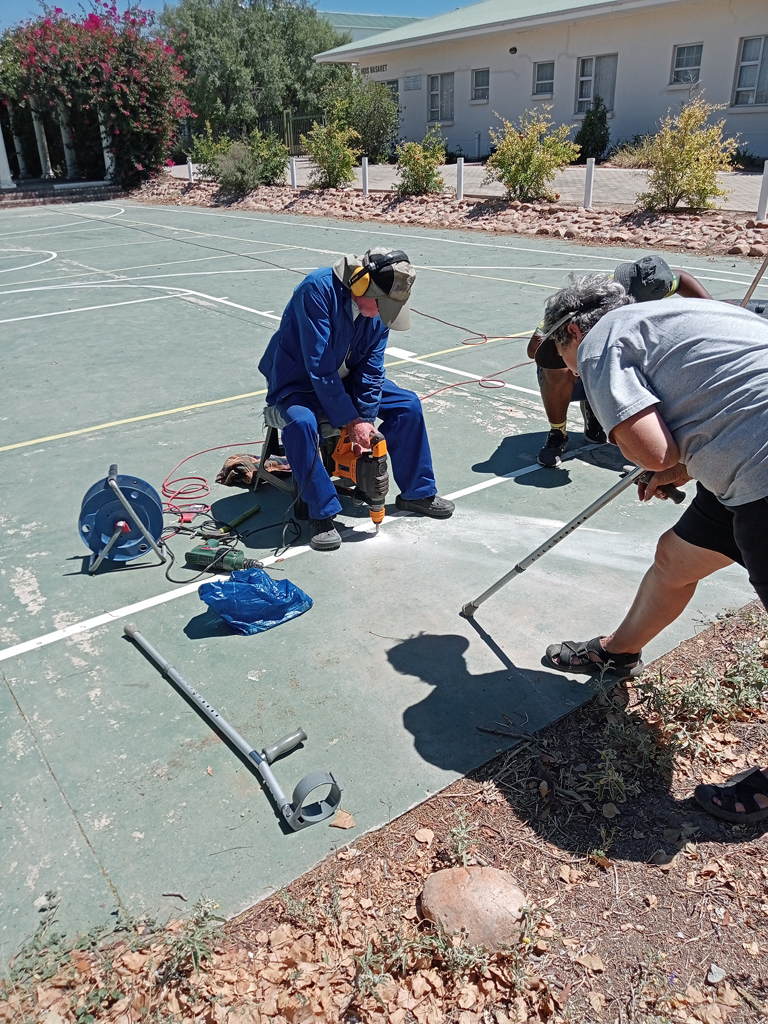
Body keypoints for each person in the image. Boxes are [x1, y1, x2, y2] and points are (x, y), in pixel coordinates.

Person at [536, 273, 768, 823]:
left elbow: (654, 448)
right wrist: (676, 466)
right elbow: (721, 403)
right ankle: (618, 652)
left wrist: (657, 464)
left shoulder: (600, 342)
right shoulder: (670, 317)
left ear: (572, 330)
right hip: (742, 458)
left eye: (560, 353)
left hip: (761, 471)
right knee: (675, 557)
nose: (567, 367)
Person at [258, 248, 454, 552]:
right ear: (361, 286)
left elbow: (372, 369)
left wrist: (363, 417)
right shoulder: (317, 290)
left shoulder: (376, 312)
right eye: (382, 304)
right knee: (301, 422)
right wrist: (351, 421)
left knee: (407, 405)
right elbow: (319, 366)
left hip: (344, 381)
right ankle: (320, 512)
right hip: (298, 382)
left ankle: (418, 492)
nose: (383, 312)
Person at [528, 256, 711, 467]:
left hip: (615, 363)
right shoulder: (587, 301)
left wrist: (713, 309)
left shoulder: (652, 288)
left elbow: (682, 278)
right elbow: (534, 350)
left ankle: (604, 410)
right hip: (583, 362)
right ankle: (558, 432)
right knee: (558, 366)